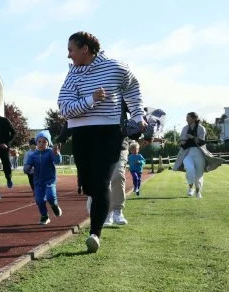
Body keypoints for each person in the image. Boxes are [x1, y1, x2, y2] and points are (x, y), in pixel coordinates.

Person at [58, 31, 144, 253]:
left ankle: (95, 233)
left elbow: (133, 87)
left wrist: (137, 115)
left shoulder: (116, 67)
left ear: (85, 49)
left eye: (71, 50)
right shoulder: (72, 75)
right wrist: (90, 99)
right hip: (81, 134)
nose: (69, 56)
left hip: (109, 132)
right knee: (90, 185)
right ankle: (97, 223)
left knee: (102, 181)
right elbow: (65, 108)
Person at [173, 111, 222, 198]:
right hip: (187, 153)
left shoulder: (201, 128)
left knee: (199, 174)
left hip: (199, 153)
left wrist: (192, 137)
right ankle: (190, 188)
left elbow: (202, 141)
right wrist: (183, 141)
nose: (186, 119)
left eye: (188, 118)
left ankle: (198, 192)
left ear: (194, 119)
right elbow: (182, 141)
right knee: (189, 168)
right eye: (186, 117)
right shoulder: (185, 128)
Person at [23, 130, 63, 225]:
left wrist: (57, 154)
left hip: (49, 180)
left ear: (48, 143)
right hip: (38, 182)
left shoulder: (50, 152)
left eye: (44, 142)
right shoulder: (33, 155)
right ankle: (44, 216)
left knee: (50, 197)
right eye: (39, 141)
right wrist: (27, 168)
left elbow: (57, 161)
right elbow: (27, 167)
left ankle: (55, 206)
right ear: (36, 142)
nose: (41, 144)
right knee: (39, 200)